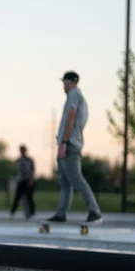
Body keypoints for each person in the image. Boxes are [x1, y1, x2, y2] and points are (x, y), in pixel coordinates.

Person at [46, 71, 102, 224]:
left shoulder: (74, 95)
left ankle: (95, 212)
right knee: (65, 182)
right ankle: (61, 213)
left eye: (64, 82)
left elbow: (71, 117)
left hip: (69, 144)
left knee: (77, 179)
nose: (63, 86)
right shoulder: (76, 96)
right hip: (67, 142)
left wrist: (64, 142)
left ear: (69, 82)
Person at [9, 145, 36, 220]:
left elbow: (32, 170)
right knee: (17, 197)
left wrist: (31, 180)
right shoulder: (18, 160)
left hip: (28, 180)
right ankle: (12, 212)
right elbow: (17, 171)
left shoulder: (29, 160)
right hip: (21, 180)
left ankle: (31, 212)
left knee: (29, 197)